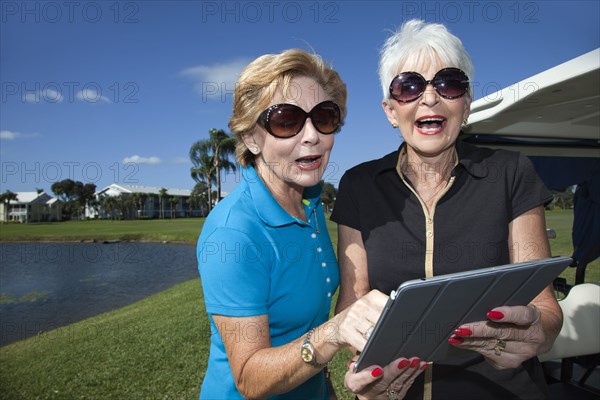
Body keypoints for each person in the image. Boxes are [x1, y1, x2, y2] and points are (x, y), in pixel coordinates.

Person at [332, 20, 562, 399]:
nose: (429, 98)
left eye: (448, 83)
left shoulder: (511, 172)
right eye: (408, 86)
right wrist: (363, 364)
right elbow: (352, 304)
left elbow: (545, 309)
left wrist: (537, 332)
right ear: (390, 110)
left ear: (466, 104)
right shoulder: (359, 185)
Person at [196, 49, 425, 400]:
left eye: (324, 117)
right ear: (250, 138)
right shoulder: (233, 234)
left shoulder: (310, 201)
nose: (311, 135)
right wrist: (333, 332)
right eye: (286, 120)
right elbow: (248, 378)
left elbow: (304, 329)